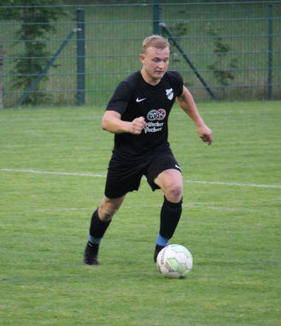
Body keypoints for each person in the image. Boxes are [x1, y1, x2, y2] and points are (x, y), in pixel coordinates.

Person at [83, 34, 213, 265]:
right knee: (108, 208)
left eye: (165, 60)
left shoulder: (172, 80)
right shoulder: (129, 87)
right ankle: (92, 246)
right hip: (127, 156)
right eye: (156, 60)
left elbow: (183, 95)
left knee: (175, 188)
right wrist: (128, 126)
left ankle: (161, 251)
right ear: (143, 58)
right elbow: (107, 121)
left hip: (157, 151)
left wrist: (200, 124)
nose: (161, 65)